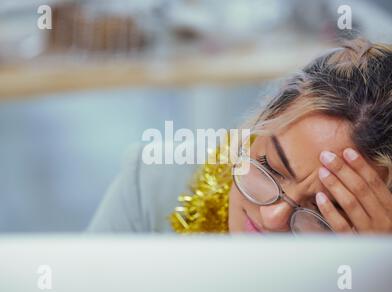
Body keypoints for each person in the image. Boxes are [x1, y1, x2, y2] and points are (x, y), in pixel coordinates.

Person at [88, 38, 392, 234]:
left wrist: (373, 271)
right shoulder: (149, 182)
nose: (273, 218)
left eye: (324, 209)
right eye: (270, 167)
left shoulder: (373, 265)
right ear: (261, 122)